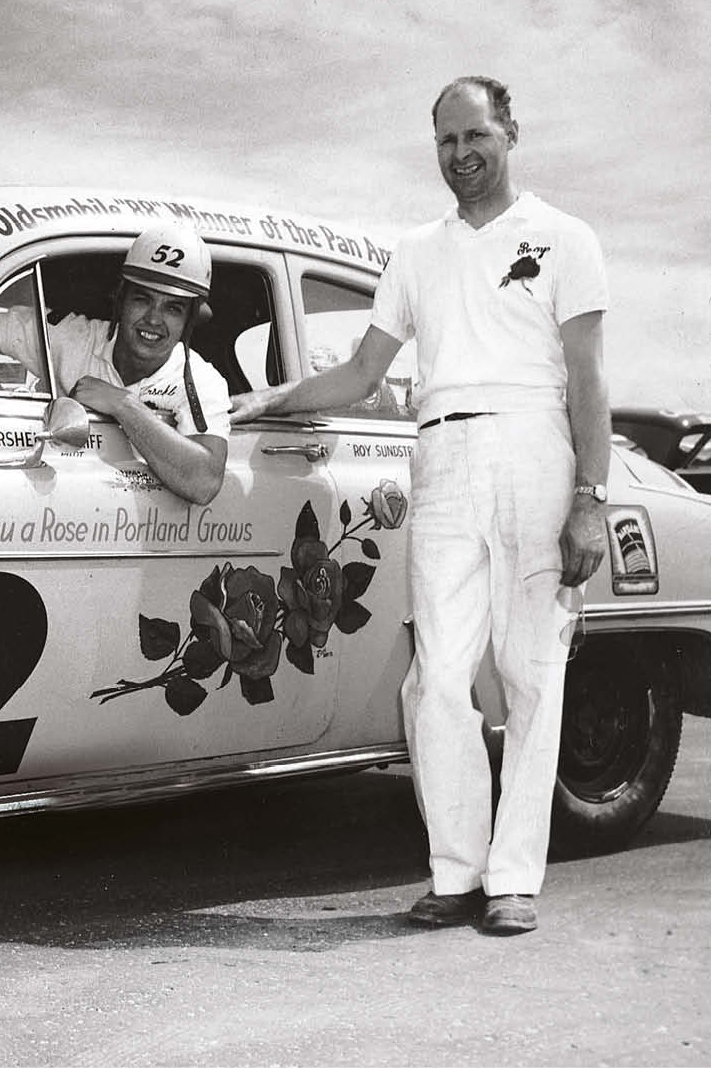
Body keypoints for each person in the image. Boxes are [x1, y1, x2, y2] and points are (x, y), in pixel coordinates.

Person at [232, 76, 610, 935]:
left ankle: (513, 878)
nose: (461, 155)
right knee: (436, 675)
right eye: (445, 141)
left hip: (534, 448)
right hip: (438, 452)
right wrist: (275, 398)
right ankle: (456, 870)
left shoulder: (562, 238)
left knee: (531, 672)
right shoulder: (415, 252)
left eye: (475, 135)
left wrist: (590, 498)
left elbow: (588, 378)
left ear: (510, 130)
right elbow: (364, 373)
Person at [0, 222, 230, 504]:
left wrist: (122, 404)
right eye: (142, 299)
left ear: (189, 321)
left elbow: (204, 482)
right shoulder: (72, 337)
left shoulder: (201, 380)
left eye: (172, 308)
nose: (153, 319)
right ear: (121, 300)